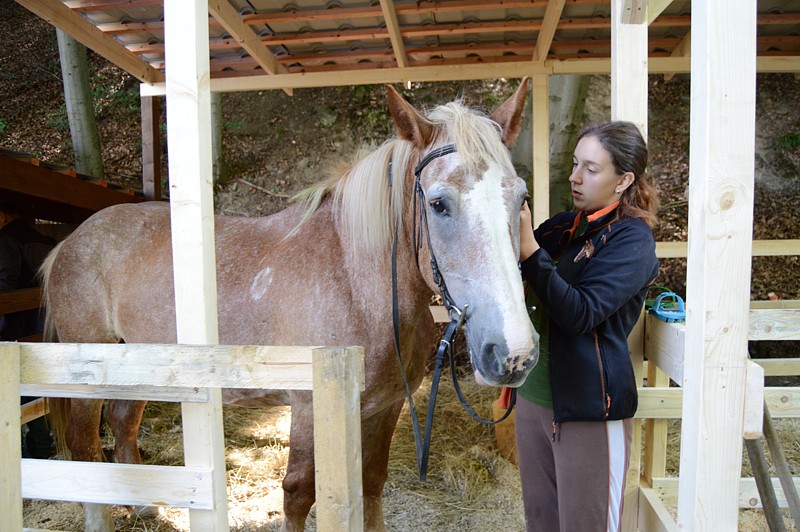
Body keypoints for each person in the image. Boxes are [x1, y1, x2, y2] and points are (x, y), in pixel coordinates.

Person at [515, 121, 659, 531]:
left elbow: (580, 313)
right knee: (540, 522)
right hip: (533, 401)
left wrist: (529, 250)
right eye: (576, 164)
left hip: (591, 411)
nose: (575, 177)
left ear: (623, 179)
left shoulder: (633, 241)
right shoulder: (565, 228)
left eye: (591, 169)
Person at [0, 201, 57, 459]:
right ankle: (41, 445)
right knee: (37, 381)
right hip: (43, 323)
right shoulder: (42, 240)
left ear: (1, 218)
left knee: (17, 385)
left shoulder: (6, 240)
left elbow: (5, 284)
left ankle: (31, 450)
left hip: (17, 326)